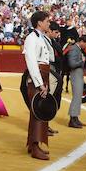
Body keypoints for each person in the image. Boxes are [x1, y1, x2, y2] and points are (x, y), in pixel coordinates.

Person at [23, 11, 54, 160]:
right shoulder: (31, 38)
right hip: (38, 76)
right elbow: (31, 62)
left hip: (43, 75)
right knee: (38, 110)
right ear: (39, 23)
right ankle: (35, 147)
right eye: (47, 21)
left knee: (39, 110)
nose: (49, 23)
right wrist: (40, 83)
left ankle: (33, 144)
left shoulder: (40, 37)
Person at [66, 35, 86, 128]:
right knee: (76, 97)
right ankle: (72, 120)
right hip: (75, 74)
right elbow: (72, 64)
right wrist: (82, 61)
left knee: (78, 97)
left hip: (78, 74)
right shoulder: (74, 49)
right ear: (81, 41)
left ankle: (75, 118)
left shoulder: (77, 48)